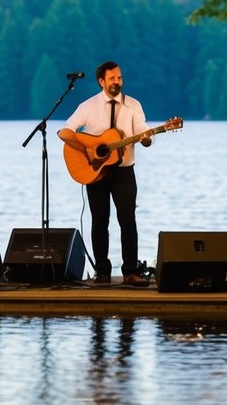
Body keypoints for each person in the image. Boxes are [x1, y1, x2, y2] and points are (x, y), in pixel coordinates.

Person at [58, 61, 152, 286]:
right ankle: (102, 272)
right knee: (99, 222)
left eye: (119, 78)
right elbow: (65, 132)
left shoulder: (133, 105)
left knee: (128, 220)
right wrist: (92, 147)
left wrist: (147, 139)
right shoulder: (88, 107)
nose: (117, 82)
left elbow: (142, 131)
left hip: (124, 171)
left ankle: (130, 271)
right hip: (95, 172)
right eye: (112, 79)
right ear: (101, 81)